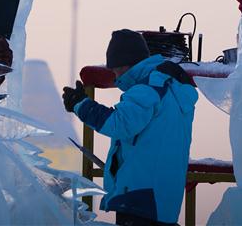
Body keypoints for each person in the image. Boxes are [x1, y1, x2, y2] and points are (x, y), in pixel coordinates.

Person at [62, 30, 198, 226]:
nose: (116, 77)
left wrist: (81, 105)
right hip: (165, 196)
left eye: (115, 70)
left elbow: (119, 124)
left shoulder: (149, 88)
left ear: (125, 64)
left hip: (140, 194)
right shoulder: (172, 87)